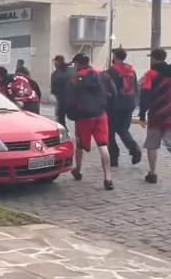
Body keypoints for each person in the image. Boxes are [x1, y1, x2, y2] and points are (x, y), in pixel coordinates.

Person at [64, 53, 116, 190]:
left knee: (80, 145)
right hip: (101, 115)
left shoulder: (75, 79)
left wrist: (71, 114)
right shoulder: (102, 75)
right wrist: (105, 106)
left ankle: (78, 170)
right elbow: (114, 92)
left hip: (83, 117)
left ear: (78, 64)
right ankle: (108, 178)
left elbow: (69, 100)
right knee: (103, 146)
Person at [138, 48, 171, 184]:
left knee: (152, 145)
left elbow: (145, 94)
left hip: (156, 114)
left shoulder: (151, 74)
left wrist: (142, 113)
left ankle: (152, 174)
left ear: (154, 58)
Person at [104, 48, 141, 167]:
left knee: (109, 132)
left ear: (115, 56)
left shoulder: (112, 71)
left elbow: (109, 89)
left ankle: (113, 157)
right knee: (123, 129)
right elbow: (135, 88)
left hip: (114, 105)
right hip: (129, 104)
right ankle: (134, 149)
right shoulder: (131, 70)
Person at [50, 55, 76, 129]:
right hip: (74, 99)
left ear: (58, 62)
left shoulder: (56, 73)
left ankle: (63, 132)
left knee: (60, 118)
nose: (54, 63)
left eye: (55, 61)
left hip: (62, 100)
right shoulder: (72, 70)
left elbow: (54, 89)